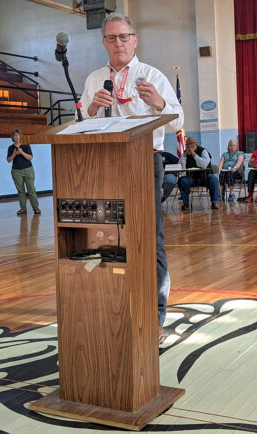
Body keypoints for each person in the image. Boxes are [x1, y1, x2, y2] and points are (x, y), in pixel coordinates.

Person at [81, 13, 184, 340]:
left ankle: (155, 316)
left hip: (144, 162)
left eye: (124, 37)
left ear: (135, 40)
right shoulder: (95, 79)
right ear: (104, 43)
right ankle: (112, 306)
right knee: (107, 236)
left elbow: (177, 119)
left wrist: (159, 102)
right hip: (105, 163)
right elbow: (80, 121)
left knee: (149, 239)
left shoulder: (151, 75)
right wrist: (93, 110)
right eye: (112, 38)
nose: (118, 43)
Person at [178, 137, 221, 210]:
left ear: (195, 143)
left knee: (213, 178)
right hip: (192, 178)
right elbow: (180, 167)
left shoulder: (203, 151)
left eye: (191, 143)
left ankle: (214, 202)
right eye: (187, 144)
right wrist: (184, 157)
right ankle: (186, 204)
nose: (189, 146)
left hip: (204, 177)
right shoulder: (185, 153)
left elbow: (203, 164)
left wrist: (194, 154)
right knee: (182, 180)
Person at [6, 129, 40, 215]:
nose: (17, 137)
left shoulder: (26, 145)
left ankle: (36, 208)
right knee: (21, 191)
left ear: (21, 136)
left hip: (28, 169)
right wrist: (14, 154)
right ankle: (23, 209)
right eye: (15, 135)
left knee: (31, 189)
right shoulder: (11, 148)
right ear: (13, 137)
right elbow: (8, 160)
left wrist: (21, 152)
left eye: (18, 135)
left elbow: (30, 157)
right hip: (16, 171)